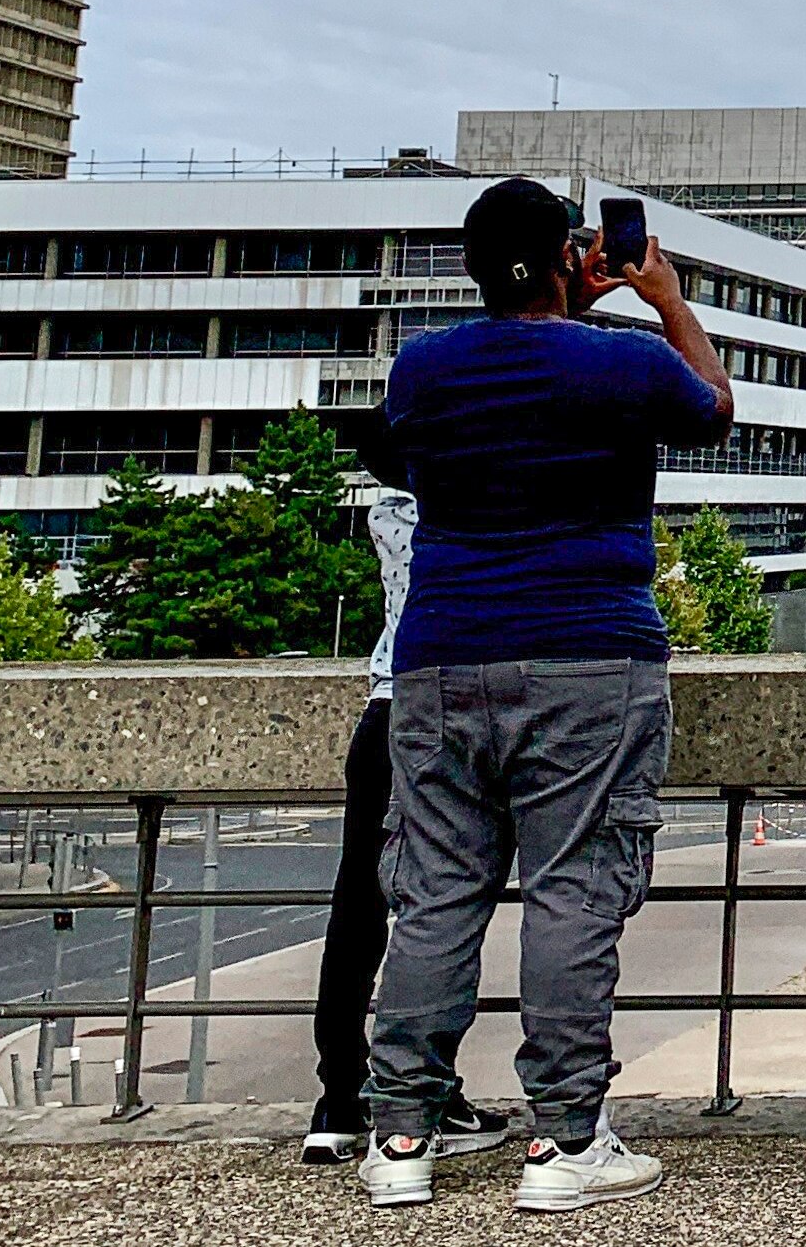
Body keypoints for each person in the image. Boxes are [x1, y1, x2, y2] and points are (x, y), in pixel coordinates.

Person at [359, 177, 734, 1212]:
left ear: (475, 267)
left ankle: (400, 1133)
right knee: (573, 889)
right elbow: (712, 405)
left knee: (434, 892)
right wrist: (660, 296)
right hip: (587, 655)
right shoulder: (623, 360)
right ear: (572, 257)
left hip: (441, 656)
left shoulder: (423, 366)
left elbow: (413, 442)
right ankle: (565, 1137)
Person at [301, 474, 512, 1168]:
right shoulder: (471, 500)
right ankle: (427, 1091)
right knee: (443, 908)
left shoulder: (390, 508)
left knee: (356, 904)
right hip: (446, 702)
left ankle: (337, 1095)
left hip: (384, 706)